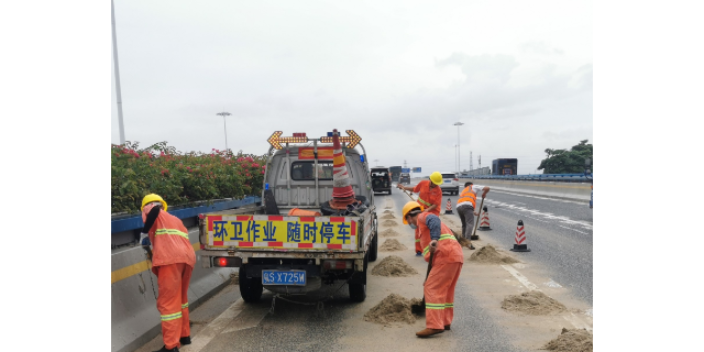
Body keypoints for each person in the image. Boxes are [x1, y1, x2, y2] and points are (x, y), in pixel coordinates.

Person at [140, 194, 197, 352]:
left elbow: (153, 210)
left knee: (168, 304)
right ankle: (184, 335)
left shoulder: (152, 210)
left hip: (170, 260)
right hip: (187, 259)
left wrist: (144, 233)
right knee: (181, 299)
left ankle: (171, 346)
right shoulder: (175, 220)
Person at [403, 201, 464, 338]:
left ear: (409, 216)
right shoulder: (423, 224)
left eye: (408, 221)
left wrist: (434, 239)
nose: (410, 223)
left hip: (445, 256)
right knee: (446, 289)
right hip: (454, 256)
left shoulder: (422, 216)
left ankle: (434, 325)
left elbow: (434, 219)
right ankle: (445, 321)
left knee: (432, 288)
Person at [397, 172, 444, 256]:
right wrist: (405, 188)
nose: (436, 185)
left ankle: (433, 248)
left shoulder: (438, 191)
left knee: (432, 229)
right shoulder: (423, 183)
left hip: (433, 211)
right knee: (418, 229)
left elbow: (436, 204)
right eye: (434, 183)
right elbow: (415, 189)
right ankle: (419, 250)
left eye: (437, 183)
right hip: (421, 209)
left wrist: (427, 210)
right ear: (430, 180)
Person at [456, 182, 490, 250]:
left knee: (464, 224)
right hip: (467, 206)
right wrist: (484, 193)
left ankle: (463, 241)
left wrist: (473, 212)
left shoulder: (464, 191)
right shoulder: (473, 186)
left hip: (459, 207)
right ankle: (468, 242)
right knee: (470, 224)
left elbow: (464, 205)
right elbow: (487, 188)